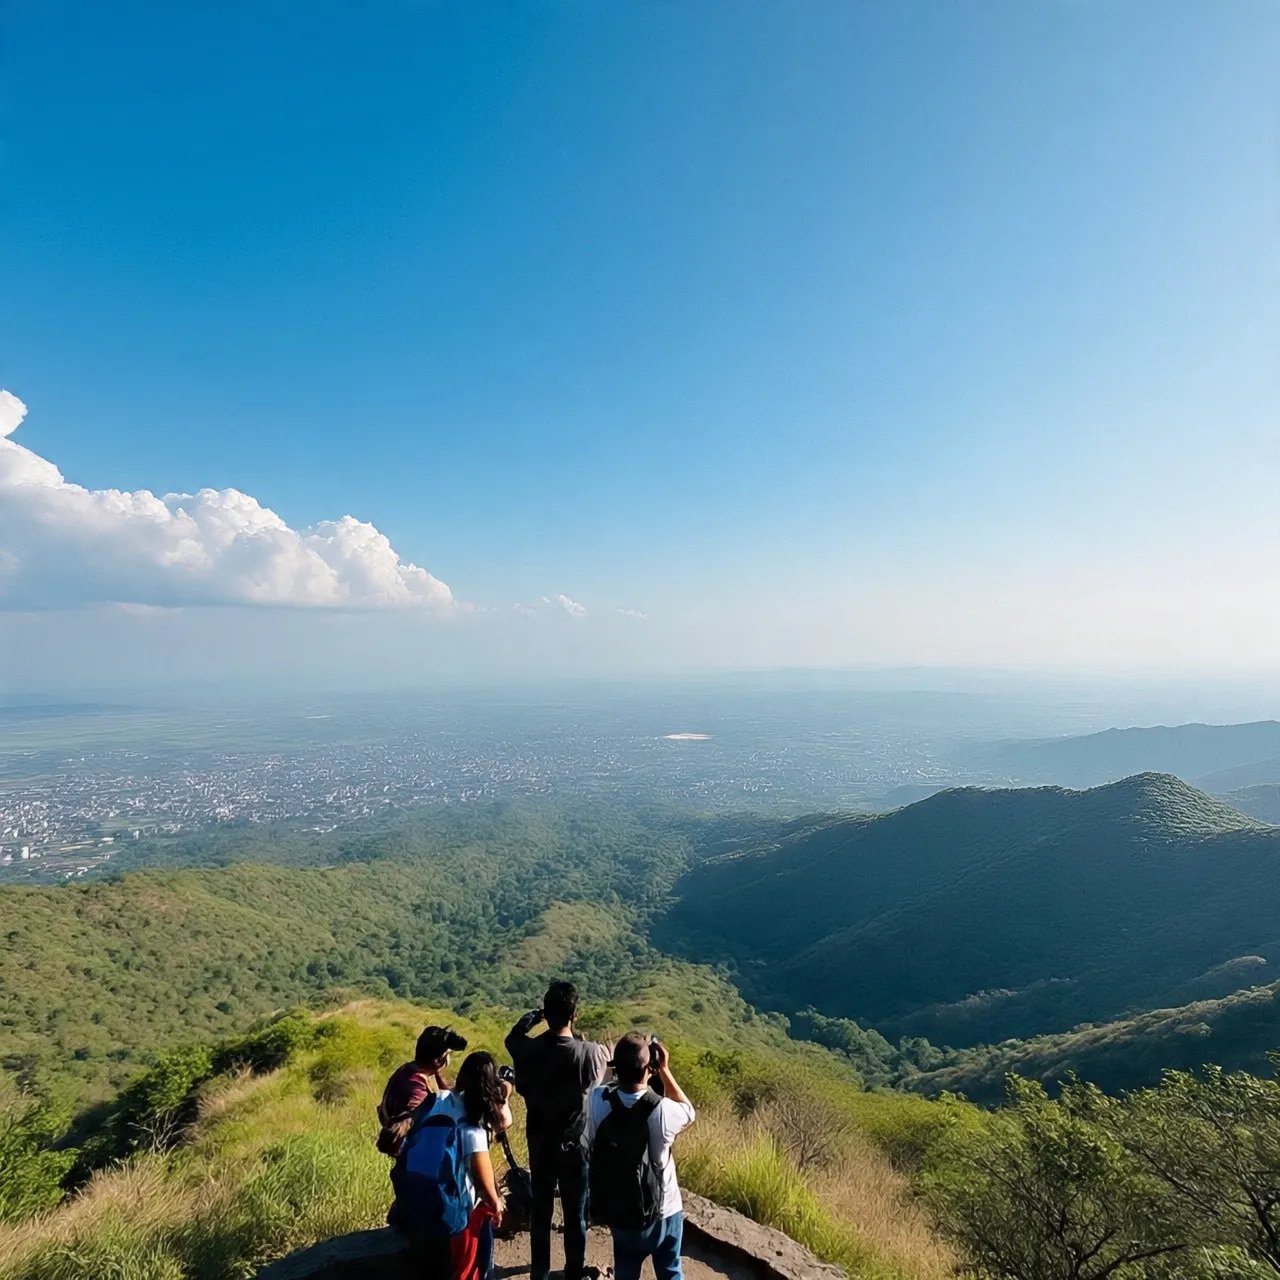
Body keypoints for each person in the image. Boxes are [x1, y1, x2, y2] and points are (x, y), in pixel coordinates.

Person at [505, 981, 611, 1280]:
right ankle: (573, 1271)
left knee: (541, 1211)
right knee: (575, 1212)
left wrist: (531, 1018)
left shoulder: (526, 1049)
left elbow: (512, 1038)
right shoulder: (589, 1053)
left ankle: (539, 1272)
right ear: (574, 1014)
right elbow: (599, 1075)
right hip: (575, 1144)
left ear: (546, 1012)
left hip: (539, 1141)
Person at [389, 1049, 514, 1280]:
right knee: (472, 1265)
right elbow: (482, 1173)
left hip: (419, 1197)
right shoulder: (472, 1121)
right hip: (456, 1208)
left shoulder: (436, 1099)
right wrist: (496, 1203)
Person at [586, 1034, 695, 1280]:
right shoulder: (663, 1109)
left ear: (616, 1069)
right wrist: (665, 1070)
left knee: (625, 1270)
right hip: (664, 1210)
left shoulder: (597, 1102)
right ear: (649, 1070)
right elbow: (689, 1112)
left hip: (620, 1206)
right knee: (670, 1270)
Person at [378, 1025, 468, 1156]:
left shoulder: (409, 1069)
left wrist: (437, 1072)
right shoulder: (416, 1086)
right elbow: (418, 1127)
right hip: (412, 1157)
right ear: (438, 1060)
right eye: (447, 1054)